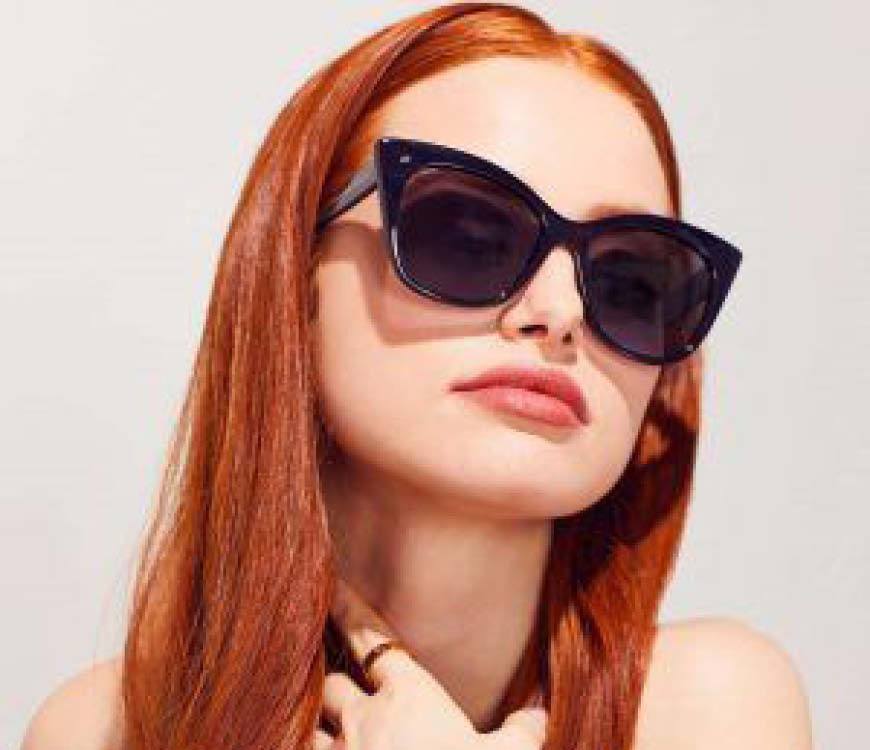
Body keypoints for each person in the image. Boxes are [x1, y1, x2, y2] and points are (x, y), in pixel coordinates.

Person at [21, 3, 813, 750]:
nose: (560, 310)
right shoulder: (103, 729)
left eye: (632, 281)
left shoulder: (705, 711)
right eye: (467, 237)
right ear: (296, 279)